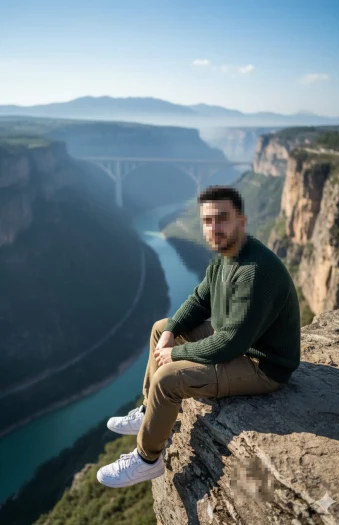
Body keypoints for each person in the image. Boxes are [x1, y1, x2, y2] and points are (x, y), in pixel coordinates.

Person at [97, 185, 301, 488]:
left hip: (262, 363)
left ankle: (146, 459)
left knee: (168, 379)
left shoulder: (255, 270)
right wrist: (170, 332)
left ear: (241, 221)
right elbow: (199, 299)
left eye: (222, 218)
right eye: (207, 220)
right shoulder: (226, 254)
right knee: (159, 328)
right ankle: (147, 413)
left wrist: (176, 354)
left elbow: (232, 342)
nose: (213, 227)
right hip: (238, 337)